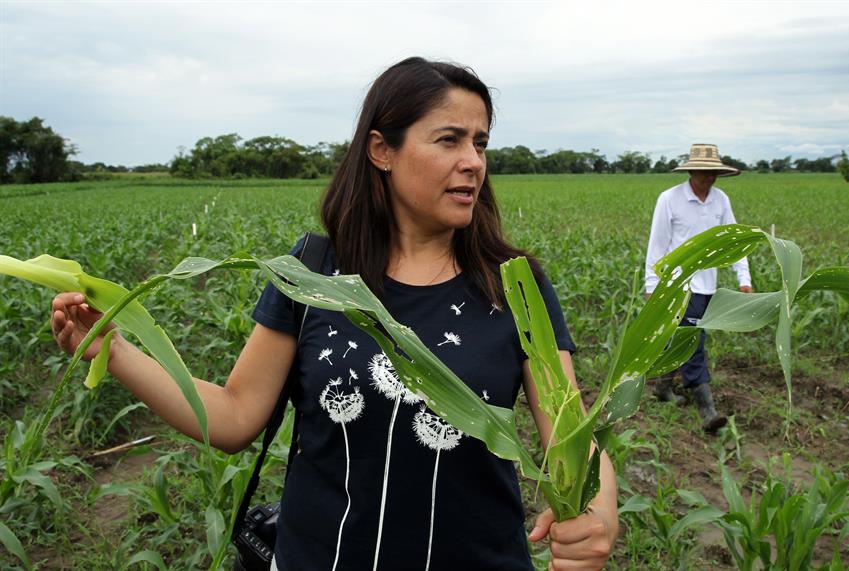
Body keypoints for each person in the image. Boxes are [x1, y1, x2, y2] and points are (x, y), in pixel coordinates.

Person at [51, 57, 618, 570]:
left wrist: (598, 510)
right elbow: (233, 416)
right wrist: (115, 352)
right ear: (382, 151)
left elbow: (571, 435)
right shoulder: (313, 273)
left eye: (480, 143)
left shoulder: (515, 284)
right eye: (449, 140)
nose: (472, 162)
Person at [644, 143, 752, 434]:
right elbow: (657, 245)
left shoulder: (720, 200)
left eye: (714, 172)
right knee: (693, 341)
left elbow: (733, 240)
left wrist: (744, 277)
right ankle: (707, 410)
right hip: (678, 285)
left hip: (707, 286)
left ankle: (663, 388)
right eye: (704, 172)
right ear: (691, 170)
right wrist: (651, 285)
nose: (710, 177)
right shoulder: (670, 199)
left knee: (679, 336)